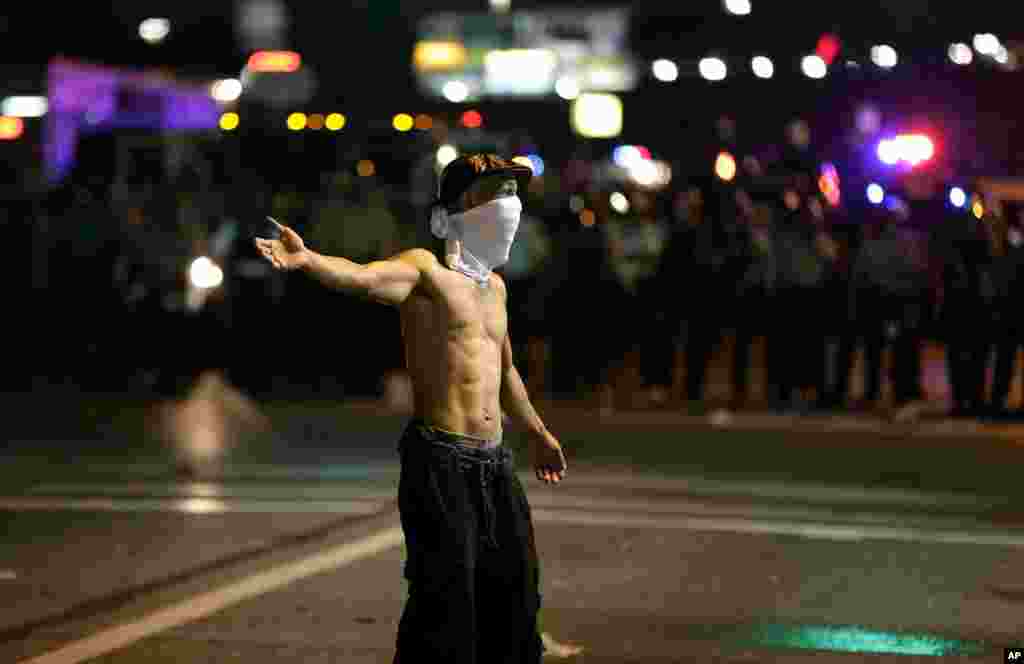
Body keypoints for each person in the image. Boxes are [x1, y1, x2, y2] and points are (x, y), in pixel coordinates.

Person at [254, 153, 571, 663]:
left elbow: (506, 371)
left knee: (516, 593)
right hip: (441, 461)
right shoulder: (425, 273)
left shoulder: (496, 289)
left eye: (511, 193)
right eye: (492, 192)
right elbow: (363, 276)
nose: (507, 205)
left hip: (495, 463)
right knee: (444, 605)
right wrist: (309, 259)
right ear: (450, 213)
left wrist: (537, 432)